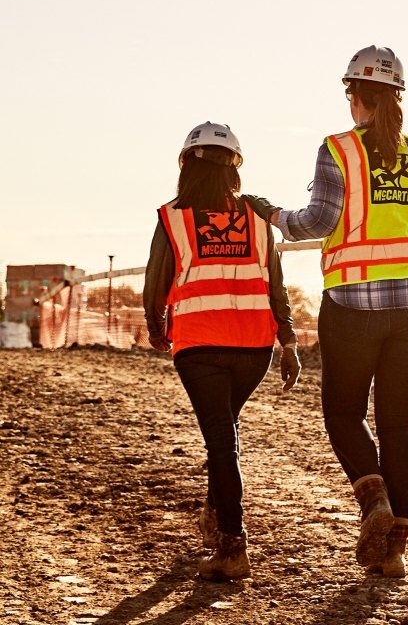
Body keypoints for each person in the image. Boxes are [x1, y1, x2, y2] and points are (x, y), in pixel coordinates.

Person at [245, 46, 408, 578]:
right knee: (399, 426)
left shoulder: (338, 150)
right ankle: (395, 554)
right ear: (398, 97)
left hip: (354, 304)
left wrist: (271, 214)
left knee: (343, 413)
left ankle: (374, 504)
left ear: (354, 96)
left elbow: (319, 219)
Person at [143, 122, 302, 582]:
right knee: (224, 433)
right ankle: (217, 513)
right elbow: (276, 283)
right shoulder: (256, 218)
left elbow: (157, 280)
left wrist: (157, 328)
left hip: (199, 348)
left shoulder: (173, 217)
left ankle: (233, 545)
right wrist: (288, 342)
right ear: (235, 168)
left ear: (186, 166)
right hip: (255, 348)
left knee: (221, 442)